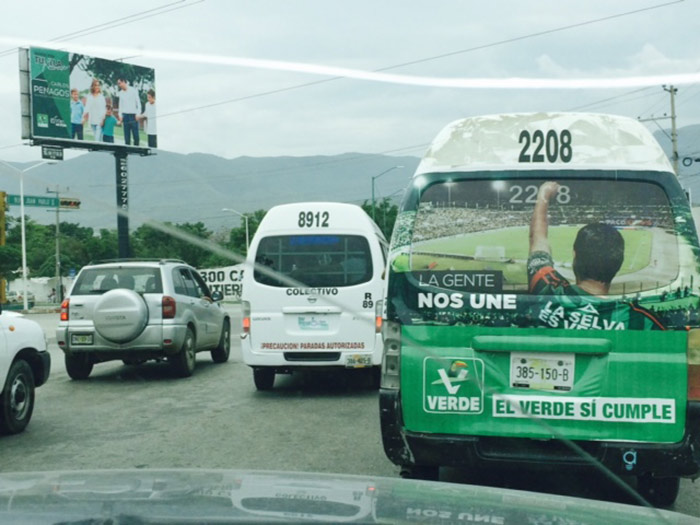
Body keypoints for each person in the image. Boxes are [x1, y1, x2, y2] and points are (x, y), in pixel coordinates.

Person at [527, 181, 664, 330]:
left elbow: (538, 239)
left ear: (575, 255)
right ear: (619, 262)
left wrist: (544, 195)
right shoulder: (641, 321)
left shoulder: (547, 292)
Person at [116, 77, 141, 145]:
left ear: (124, 81)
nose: (119, 85)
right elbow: (120, 105)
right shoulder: (120, 93)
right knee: (127, 138)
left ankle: (136, 151)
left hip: (133, 116)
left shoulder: (133, 90)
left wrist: (138, 114)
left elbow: (138, 103)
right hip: (125, 116)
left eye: (119, 83)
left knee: (136, 137)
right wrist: (120, 115)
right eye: (118, 84)